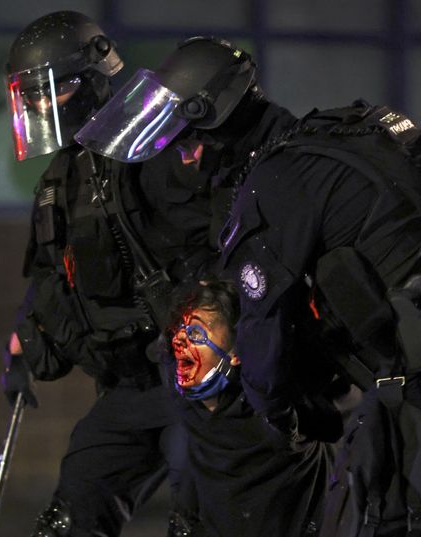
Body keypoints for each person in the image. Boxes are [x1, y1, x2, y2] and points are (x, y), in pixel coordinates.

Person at [76, 36, 421, 535]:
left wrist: (276, 415)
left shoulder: (276, 179)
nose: (186, 152)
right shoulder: (346, 136)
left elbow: (262, 326)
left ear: (210, 119)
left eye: (189, 137)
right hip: (402, 351)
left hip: (409, 370)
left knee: (385, 504)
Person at [0, 12, 227, 537]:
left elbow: (221, 248)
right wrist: (22, 344)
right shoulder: (64, 174)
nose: (38, 108)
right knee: (72, 513)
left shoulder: (157, 146)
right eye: (30, 97)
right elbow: (52, 271)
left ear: (91, 80)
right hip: (127, 386)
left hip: (192, 378)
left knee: (199, 519)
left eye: (49, 93)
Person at [165, 279, 331, 536]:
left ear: (236, 352)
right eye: (178, 330)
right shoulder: (187, 399)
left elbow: (269, 365)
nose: (180, 342)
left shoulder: (270, 412)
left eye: (196, 334)